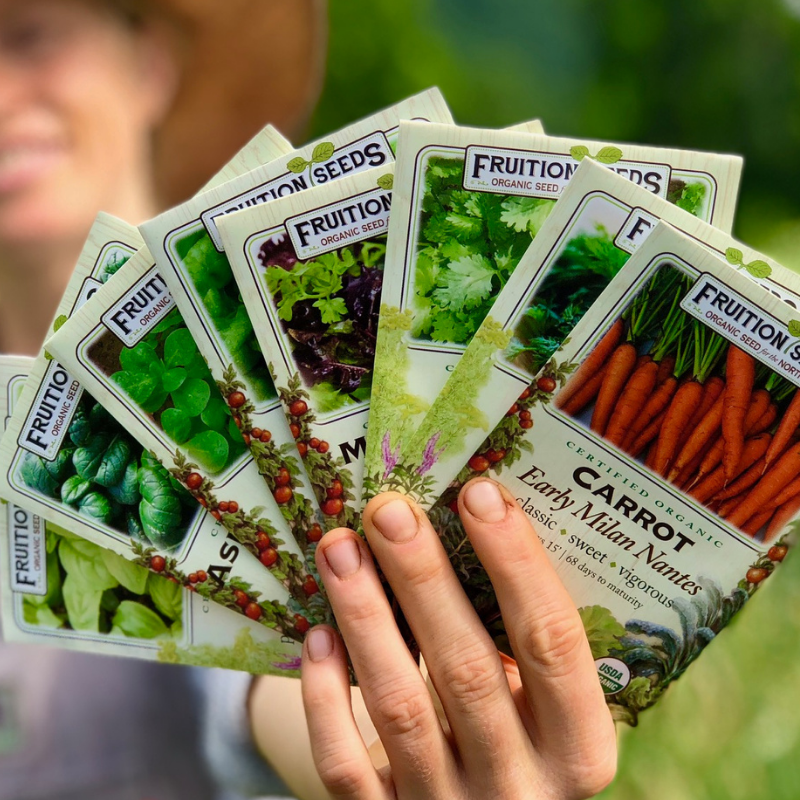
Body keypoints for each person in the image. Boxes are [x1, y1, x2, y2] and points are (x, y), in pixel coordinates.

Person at [0, 1, 324, 798]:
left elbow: (282, 691)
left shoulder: (297, 374)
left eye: (30, 35)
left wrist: (396, 752)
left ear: (150, 64)